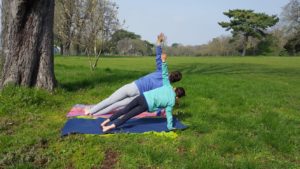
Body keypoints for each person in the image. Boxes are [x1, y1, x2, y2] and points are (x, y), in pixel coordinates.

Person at [85, 33, 182, 116]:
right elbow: (159, 99)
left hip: (133, 87)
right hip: (139, 96)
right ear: (175, 82)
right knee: (116, 106)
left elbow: (158, 55)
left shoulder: (161, 71)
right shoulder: (166, 87)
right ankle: (94, 114)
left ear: (171, 73)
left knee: (110, 100)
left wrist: (159, 42)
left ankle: (90, 111)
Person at [101, 53, 185, 132]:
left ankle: (104, 123)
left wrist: (163, 60)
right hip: (146, 105)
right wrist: (170, 127)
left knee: (124, 110)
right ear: (178, 97)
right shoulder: (172, 102)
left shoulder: (168, 86)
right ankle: (108, 128)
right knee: (128, 116)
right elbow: (169, 115)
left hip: (143, 97)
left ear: (175, 89)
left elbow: (164, 73)